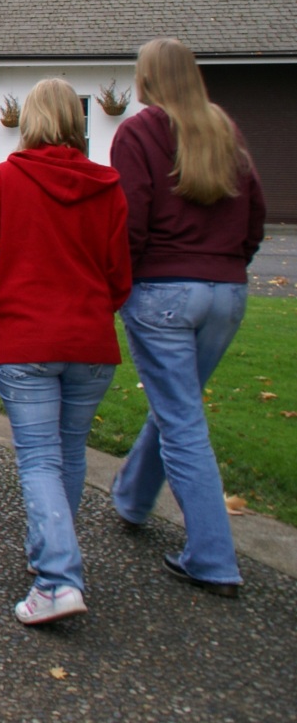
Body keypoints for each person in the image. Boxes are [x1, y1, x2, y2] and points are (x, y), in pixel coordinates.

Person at [0, 79, 131, 625]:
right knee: (69, 453)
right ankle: (50, 554)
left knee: (39, 458)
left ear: (30, 120)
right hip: (90, 341)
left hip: (26, 340)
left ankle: (58, 578)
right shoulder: (108, 187)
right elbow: (119, 273)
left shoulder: (5, 180)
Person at [109, 38, 265, 597]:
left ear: (147, 78)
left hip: (164, 292)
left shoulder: (139, 132)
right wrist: (227, 265)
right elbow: (255, 214)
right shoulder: (223, 129)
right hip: (226, 292)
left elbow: (130, 220)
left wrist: (119, 284)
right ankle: (132, 498)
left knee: (181, 420)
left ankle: (213, 558)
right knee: (178, 407)